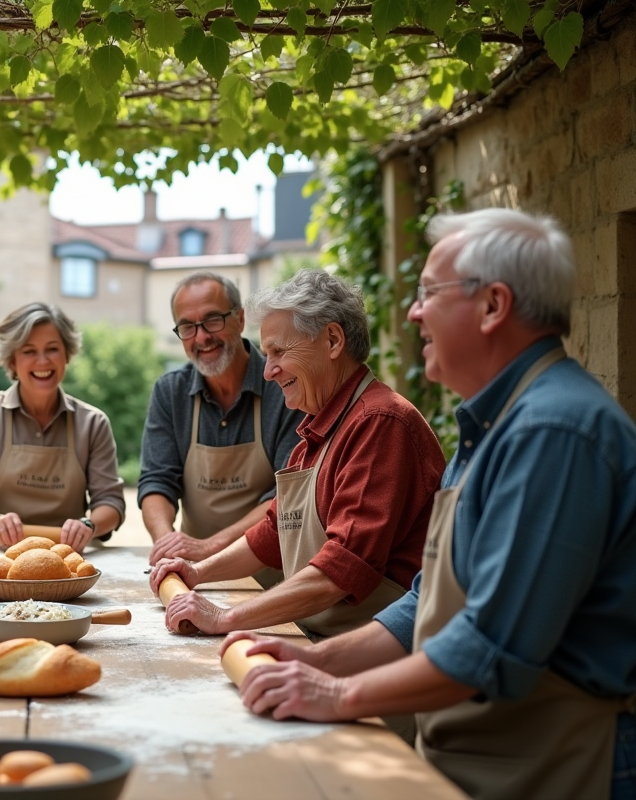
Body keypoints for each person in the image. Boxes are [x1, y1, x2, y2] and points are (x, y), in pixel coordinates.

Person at [230, 209, 636, 800]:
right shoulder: (497, 426)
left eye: (429, 293)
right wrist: (317, 662)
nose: (414, 312)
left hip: (558, 765)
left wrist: (338, 694)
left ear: (494, 305)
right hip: (491, 757)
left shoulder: (555, 432)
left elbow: (492, 648)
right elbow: (425, 603)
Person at [150, 269, 446, 641]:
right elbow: (272, 532)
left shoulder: (380, 422)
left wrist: (224, 617)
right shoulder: (317, 429)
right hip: (321, 636)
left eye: (278, 352)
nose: (269, 371)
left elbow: (340, 570)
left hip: (374, 654)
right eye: (266, 354)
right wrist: (198, 572)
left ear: (333, 340)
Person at [139, 272, 304, 576]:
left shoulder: (284, 388)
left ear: (240, 320)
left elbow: (288, 496)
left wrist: (210, 547)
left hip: (272, 573)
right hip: (194, 574)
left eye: (213, 320)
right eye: (187, 327)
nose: (201, 337)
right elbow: (157, 480)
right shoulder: (170, 392)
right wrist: (166, 543)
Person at [0, 303, 124, 552]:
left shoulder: (93, 423)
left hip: (64, 564)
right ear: (12, 360)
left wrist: (89, 525)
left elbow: (111, 502)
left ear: (67, 354)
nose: (42, 361)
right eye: (29, 351)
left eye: (52, 349)